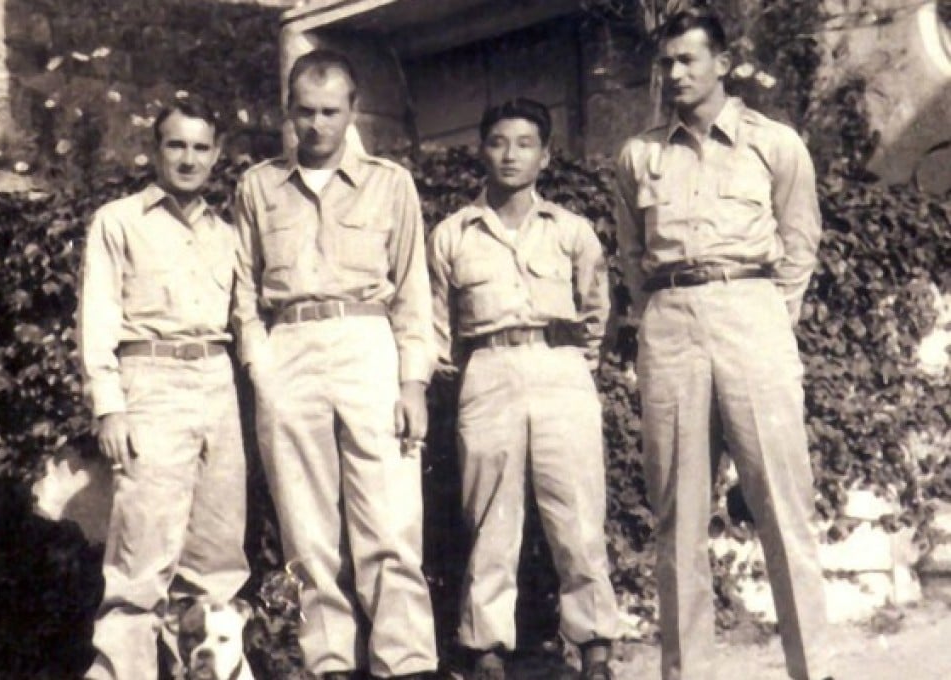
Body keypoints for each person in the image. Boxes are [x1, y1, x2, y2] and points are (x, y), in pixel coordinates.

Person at [614, 9, 832, 680]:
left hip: (751, 313)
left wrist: (768, 317)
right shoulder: (639, 154)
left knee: (781, 505)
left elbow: (800, 243)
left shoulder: (776, 144)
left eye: (687, 60)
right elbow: (629, 256)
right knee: (678, 517)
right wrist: (664, 316)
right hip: (671, 321)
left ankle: (814, 669)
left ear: (722, 63)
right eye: (667, 62)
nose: (674, 73)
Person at [231, 49, 437, 680]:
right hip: (290, 351)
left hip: (368, 346)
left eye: (329, 111)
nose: (316, 125)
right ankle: (328, 664)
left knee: (391, 522)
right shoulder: (257, 186)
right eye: (304, 112)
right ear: (287, 112)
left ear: (352, 111)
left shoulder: (390, 182)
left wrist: (413, 383)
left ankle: (405, 663)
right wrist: (261, 366)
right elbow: (244, 290)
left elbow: (413, 291)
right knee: (307, 530)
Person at [429, 98, 619, 680]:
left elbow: (596, 312)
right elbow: (437, 329)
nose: (511, 155)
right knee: (491, 514)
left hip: (560, 367)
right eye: (498, 142)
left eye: (525, 143)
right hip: (487, 370)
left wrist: (573, 365)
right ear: (482, 150)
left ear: (545, 155)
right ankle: (486, 646)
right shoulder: (453, 234)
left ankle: (595, 645)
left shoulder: (572, 231)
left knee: (578, 511)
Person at [77, 97, 250, 680]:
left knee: (219, 555)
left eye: (201, 147)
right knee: (141, 556)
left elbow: (244, 319)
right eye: (176, 144)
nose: (188, 158)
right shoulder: (118, 221)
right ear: (154, 150)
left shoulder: (228, 233)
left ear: (217, 155)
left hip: (218, 384)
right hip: (150, 380)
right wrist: (110, 406)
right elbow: (97, 319)